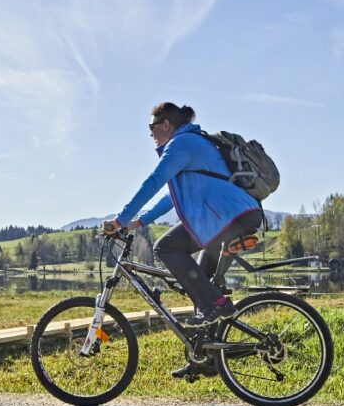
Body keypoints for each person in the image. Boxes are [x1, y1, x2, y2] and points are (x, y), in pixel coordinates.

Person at [104, 102, 264, 379]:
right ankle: (206, 358)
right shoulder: (190, 144)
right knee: (198, 283)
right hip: (227, 217)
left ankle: (218, 305)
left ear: (166, 124)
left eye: (151, 127)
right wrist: (139, 222)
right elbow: (170, 197)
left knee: (165, 247)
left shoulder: (182, 144)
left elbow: (154, 181)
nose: (150, 133)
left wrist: (120, 220)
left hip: (227, 216)